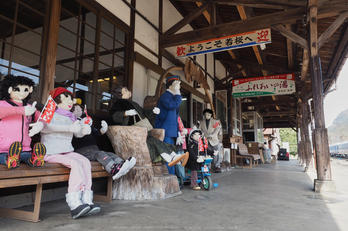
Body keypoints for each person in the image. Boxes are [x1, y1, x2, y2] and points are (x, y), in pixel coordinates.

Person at [29, 87, 100, 219]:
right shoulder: (50, 113)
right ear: (57, 99)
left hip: (66, 151)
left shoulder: (71, 116)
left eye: (71, 98)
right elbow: (45, 128)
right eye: (66, 97)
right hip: (50, 152)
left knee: (85, 162)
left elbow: (77, 134)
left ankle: (86, 199)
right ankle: (74, 203)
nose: (71, 101)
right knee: (76, 164)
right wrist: (68, 128)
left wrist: (84, 129)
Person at [109, 84, 188, 166]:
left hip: (142, 131)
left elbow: (143, 112)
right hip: (133, 134)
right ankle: (173, 158)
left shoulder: (132, 103)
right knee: (153, 142)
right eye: (125, 90)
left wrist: (152, 112)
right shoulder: (118, 104)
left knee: (155, 142)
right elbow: (114, 116)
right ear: (120, 94)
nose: (128, 91)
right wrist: (125, 113)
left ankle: (174, 157)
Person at [71, 103, 136, 180]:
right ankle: (113, 169)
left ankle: (123, 164)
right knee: (100, 154)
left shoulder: (87, 121)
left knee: (109, 153)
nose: (79, 111)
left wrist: (102, 130)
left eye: (80, 109)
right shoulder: (72, 122)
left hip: (94, 149)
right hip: (83, 151)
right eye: (76, 109)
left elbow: (95, 133)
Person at [0, 74, 46, 169]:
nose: (22, 93)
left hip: (25, 149)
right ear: (9, 89)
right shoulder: (2, 104)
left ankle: (33, 159)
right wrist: (21, 111)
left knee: (26, 157)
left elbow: (42, 117)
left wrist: (40, 124)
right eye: (17, 89)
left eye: (25, 90)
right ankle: (10, 159)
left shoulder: (30, 107)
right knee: (3, 157)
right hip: (3, 149)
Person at [154, 75, 184, 174]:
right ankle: (169, 177)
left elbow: (175, 118)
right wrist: (177, 92)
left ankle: (172, 177)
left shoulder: (171, 96)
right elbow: (174, 105)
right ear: (172, 85)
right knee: (168, 156)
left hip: (170, 131)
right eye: (177, 84)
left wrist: (178, 132)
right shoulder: (165, 96)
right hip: (165, 131)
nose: (179, 86)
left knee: (172, 156)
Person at [199, 109, 222, 173]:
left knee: (216, 153)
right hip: (206, 140)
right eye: (205, 115)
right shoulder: (202, 122)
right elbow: (199, 129)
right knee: (207, 153)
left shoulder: (215, 121)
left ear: (211, 115)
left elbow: (217, 129)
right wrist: (202, 136)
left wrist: (213, 135)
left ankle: (217, 166)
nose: (207, 116)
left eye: (208, 115)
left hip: (213, 140)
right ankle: (207, 166)